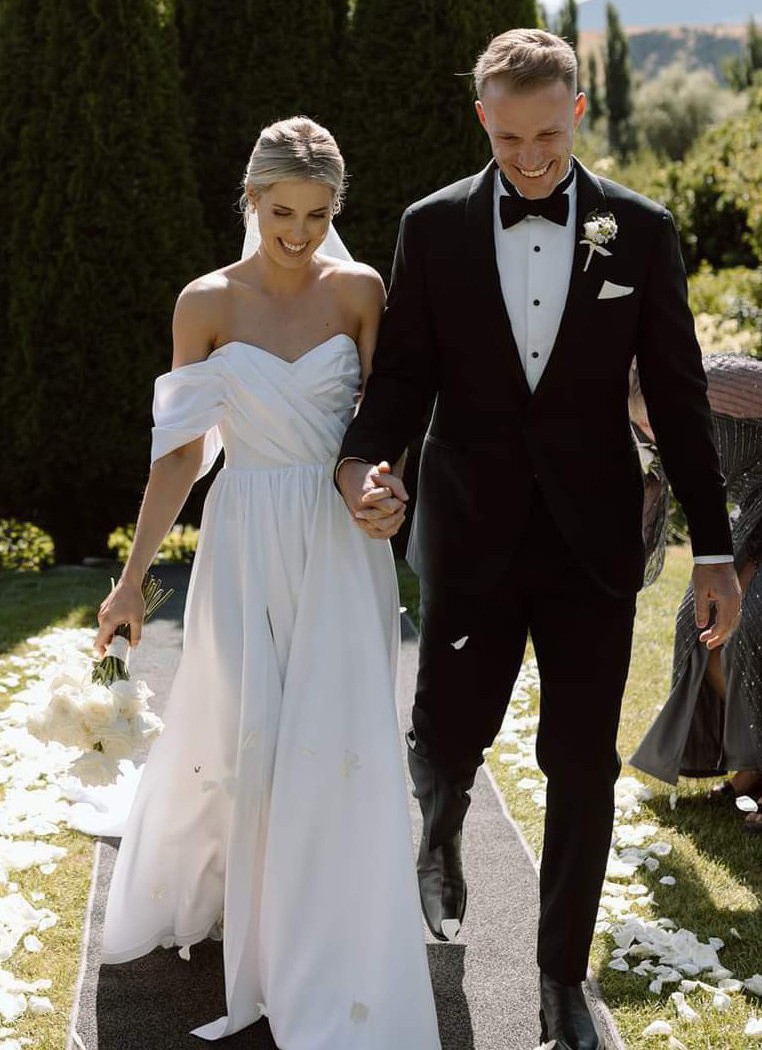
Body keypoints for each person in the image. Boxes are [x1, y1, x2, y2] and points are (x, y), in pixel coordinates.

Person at [335, 29, 741, 1050]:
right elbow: (403, 377)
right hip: (468, 531)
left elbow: (682, 398)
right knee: (446, 736)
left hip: (591, 544)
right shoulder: (431, 228)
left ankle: (560, 981)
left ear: (579, 114)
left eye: (548, 137)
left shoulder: (640, 231)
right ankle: (438, 834)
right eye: (508, 138)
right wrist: (363, 463)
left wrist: (716, 550)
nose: (528, 158)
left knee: (581, 762)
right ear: (483, 119)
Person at [94, 117, 441, 1049]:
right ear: (251, 200)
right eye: (282, 211)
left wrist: (384, 486)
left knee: (332, 737)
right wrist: (130, 582)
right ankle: (252, 922)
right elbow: (179, 457)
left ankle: (319, 933)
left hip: (338, 544)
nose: (299, 232)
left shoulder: (361, 290)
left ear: (337, 209)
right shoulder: (205, 303)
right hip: (242, 539)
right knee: (250, 734)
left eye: (318, 214)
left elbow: (383, 422)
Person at [629, 352, 762, 833]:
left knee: (753, 619)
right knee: (700, 622)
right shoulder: (632, 428)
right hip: (752, 507)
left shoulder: (714, 380)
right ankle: (754, 762)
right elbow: (648, 511)